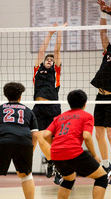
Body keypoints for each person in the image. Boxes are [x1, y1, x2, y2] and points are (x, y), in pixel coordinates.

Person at [37, 89, 107, 199]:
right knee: (102, 177)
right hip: (73, 152)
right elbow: (87, 137)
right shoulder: (86, 116)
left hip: (55, 154)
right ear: (85, 103)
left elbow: (45, 135)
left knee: (68, 180)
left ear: (69, 103)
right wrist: (94, 155)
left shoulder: (59, 117)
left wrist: (57, 144)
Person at [0, 82, 38, 199]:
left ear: (5, 95)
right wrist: (30, 150)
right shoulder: (29, 111)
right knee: (26, 175)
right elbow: (35, 135)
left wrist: (3, 141)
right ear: (20, 96)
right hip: (24, 143)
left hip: (3, 140)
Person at [32, 22, 68, 184]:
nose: (50, 60)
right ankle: (52, 162)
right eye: (48, 59)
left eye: (52, 60)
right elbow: (42, 51)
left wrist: (59, 32)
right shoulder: (37, 70)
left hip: (53, 108)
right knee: (40, 137)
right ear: (43, 62)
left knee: (53, 140)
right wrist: (50, 33)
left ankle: (58, 167)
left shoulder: (56, 73)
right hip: (38, 108)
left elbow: (57, 50)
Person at [91, 0, 111, 185]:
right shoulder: (109, 52)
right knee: (98, 133)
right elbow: (103, 33)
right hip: (100, 96)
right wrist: (102, 13)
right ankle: (106, 164)